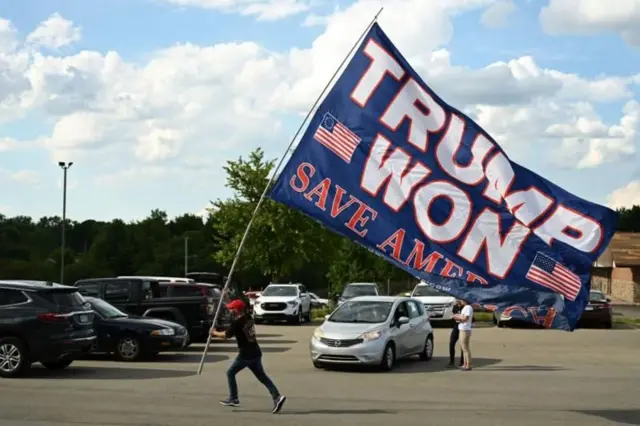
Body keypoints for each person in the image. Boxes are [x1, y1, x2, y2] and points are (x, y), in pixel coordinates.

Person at [210, 299, 286, 413]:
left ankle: (233, 398)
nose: (230, 311)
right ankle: (277, 397)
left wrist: (214, 333)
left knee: (230, 373)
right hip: (255, 352)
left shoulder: (237, 323)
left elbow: (226, 335)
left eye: (231, 309)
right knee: (262, 377)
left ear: (236, 310)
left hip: (245, 355)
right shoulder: (248, 318)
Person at [452, 299, 473, 371]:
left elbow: (465, 318)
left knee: (465, 348)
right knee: (463, 348)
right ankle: (465, 363)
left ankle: (468, 364)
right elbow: (462, 316)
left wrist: (457, 317)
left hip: (465, 329)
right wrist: (457, 316)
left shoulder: (468, 307)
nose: (461, 301)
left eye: (462, 300)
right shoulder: (465, 307)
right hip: (462, 328)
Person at [447, 300, 464, 368]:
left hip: (463, 326)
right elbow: (454, 316)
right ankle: (451, 361)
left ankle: (462, 361)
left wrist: (458, 317)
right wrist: (458, 317)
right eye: (456, 299)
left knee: (462, 344)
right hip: (456, 326)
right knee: (451, 343)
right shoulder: (455, 307)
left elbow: (465, 317)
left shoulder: (465, 307)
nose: (457, 301)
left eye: (459, 299)